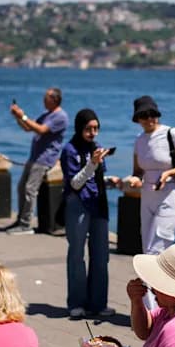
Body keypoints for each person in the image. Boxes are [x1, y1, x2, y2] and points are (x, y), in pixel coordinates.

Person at [122, 96, 175, 308]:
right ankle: (161, 304)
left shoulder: (171, 134)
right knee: (147, 250)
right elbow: (137, 172)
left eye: (153, 114)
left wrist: (169, 173)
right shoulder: (139, 140)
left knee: (156, 250)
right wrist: (133, 180)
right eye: (144, 115)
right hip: (147, 196)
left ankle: (153, 308)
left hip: (169, 195)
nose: (150, 119)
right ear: (137, 119)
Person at [60, 109, 120, 318]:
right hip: (78, 203)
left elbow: (95, 179)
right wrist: (92, 163)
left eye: (96, 128)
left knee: (101, 255)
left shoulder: (96, 148)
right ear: (79, 128)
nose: (93, 133)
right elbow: (75, 183)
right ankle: (76, 303)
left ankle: (98, 303)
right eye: (88, 129)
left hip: (98, 204)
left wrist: (111, 181)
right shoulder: (69, 150)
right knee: (77, 254)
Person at [6, 87, 68, 235]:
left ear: (54, 99)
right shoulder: (47, 114)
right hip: (34, 157)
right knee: (22, 188)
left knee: (30, 190)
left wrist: (24, 116)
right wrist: (18, 117)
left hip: (45, 159)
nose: (43, 100)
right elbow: (29, 128)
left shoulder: (60, 117)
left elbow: (41, 129)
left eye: (46, 97)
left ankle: (26, 224)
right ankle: (20, 219)